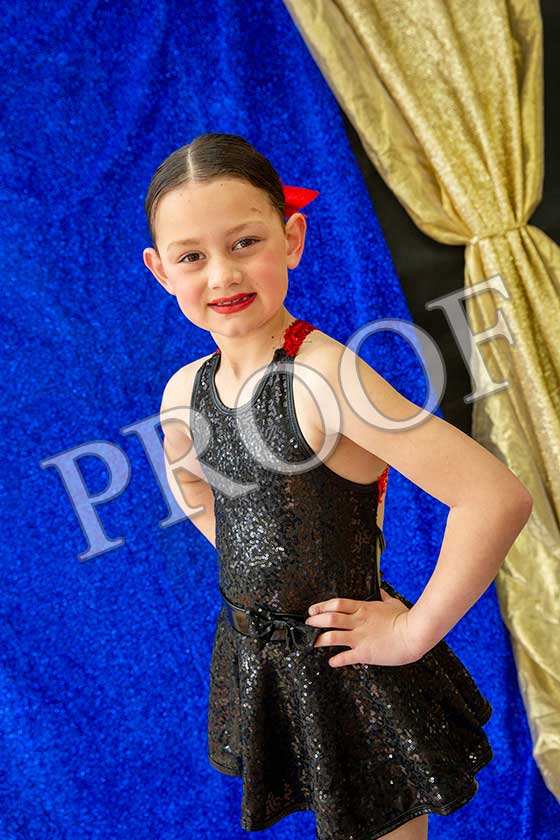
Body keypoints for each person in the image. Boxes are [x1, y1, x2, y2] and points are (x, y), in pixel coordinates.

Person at [142, 132, 533, 840]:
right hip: (266, 660)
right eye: (192, 256)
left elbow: (495, 497)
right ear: (161, 270)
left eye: (245, 242)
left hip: (354, 668)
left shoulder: (328, 379)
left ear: (292, 239)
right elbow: (195, 488)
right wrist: (260, 579)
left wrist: (412, 632)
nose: (223, 274)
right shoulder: (183, 392)